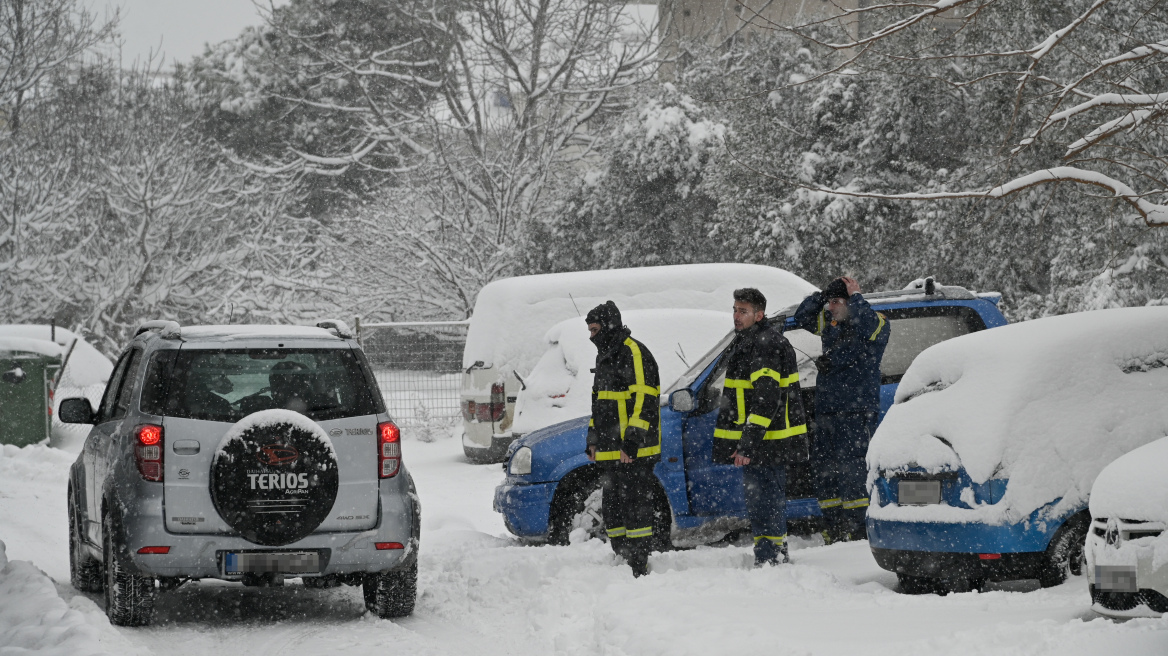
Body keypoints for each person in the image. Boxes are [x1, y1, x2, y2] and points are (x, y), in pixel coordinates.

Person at [712, 288, 809, 566]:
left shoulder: (764, 344)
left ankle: (772, 558)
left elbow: (766, 399)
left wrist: (747, 443)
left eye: (743, 311)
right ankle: (769, 555)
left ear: (759, 314)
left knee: (766, 501)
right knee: (761, 502)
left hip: (769, 442)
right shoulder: (751, 341)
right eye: (734, 310)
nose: (736, 316)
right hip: (764, 441)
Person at [791, 276, 890, 543]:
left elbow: (867, 324)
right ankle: (833, 528)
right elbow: (802, 317)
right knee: (825, 472)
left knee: (853, 473)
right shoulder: (830, 324)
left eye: (837, 302)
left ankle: (858, 531)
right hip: (827, 411)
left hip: (856, 412)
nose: (831, 308)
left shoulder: (877, 322)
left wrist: (855, 297)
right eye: (830, 303)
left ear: (851, 302)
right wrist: (822, 296)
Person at [584, 300, 662, 577]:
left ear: (608, 327)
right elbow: (598, 404)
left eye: (595, 330)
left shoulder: (634, 352)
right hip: (610, 451)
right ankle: (622, 557)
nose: (591, 337)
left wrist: (632, 442)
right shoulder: (604, 356)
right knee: (613, 509)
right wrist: (592, 438)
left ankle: (638, 564)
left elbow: (645, 400)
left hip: (633, 451)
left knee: (636, 508)